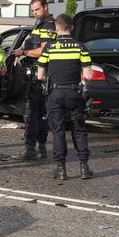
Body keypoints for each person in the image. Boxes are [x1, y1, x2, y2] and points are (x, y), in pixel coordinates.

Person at [36, 14, 92, 180]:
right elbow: (88, 74)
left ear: (56, 29)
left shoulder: (50, 47)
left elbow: (40, 75)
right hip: (74, 93)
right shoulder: (80, 47)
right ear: (72, 28)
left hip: (55, 93)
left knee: (58, 130)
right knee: (79, 129)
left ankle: (61, 169)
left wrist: (52, 80)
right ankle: (84, 167)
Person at [17, 0, 56, 160]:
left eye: (37, 9)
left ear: (46, 7)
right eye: (32, 10)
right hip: (40, 74)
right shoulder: (40, 23)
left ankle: (31, 149)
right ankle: (40, 147)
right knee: (41, 113)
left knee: (32, 112)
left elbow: (43, 50)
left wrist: (23, 52)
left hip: (40, 75)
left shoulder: (48, 25)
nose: (35, 13)